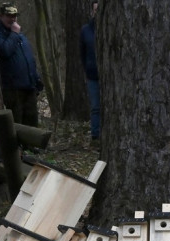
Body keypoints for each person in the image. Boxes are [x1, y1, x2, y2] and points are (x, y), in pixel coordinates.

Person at [0, 3, 43, 128]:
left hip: (29, 85)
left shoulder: (20, 35)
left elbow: (28, 58)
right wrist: (14, 34)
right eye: (9, 16)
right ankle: (17, 147)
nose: (12, 19)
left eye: (14, 16)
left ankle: (32, 146)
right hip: (12, 87)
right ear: (1, 16)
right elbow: (4, 51)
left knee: (32, 119)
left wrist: (36, 79)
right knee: (17, 122)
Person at [80, 2, 100, 141]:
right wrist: (86, 70)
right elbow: (82, 53)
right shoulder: (86, 30)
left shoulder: (109, 29)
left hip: (109, 77)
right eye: (95, 10)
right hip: (93, 75)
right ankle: (96, 135)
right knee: (95, 107)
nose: (97, 13)